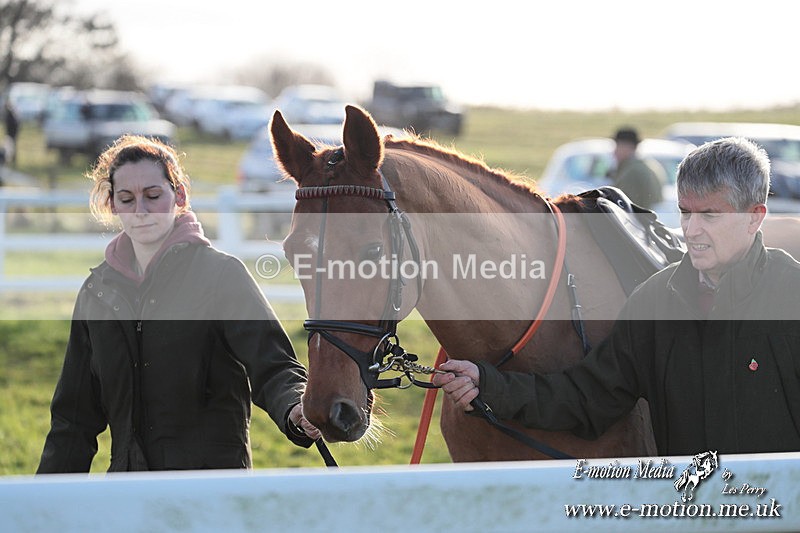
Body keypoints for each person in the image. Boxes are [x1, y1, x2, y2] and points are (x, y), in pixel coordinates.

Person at [433, 137, 800, 456]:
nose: (692, 230)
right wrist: (489, 385)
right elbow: (585, 398)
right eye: (686, 213)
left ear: (755, 217)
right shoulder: (655, 302)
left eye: (710, 215)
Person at [37, 135, 320, 473]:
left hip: (211, 493)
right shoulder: (97, 294)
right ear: (112, 205)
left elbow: (274, 367)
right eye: (126, 199)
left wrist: (295, 408)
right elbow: (73, 419)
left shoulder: (221, 275)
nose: (141, 211)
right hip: (129, 497)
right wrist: (43, 506)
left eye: (153, 196)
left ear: (180, 195)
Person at [610, 126, 665, 209]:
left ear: (628, 146)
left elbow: (622, 207)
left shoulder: (632, 172)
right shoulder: (648, 165)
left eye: (618, 146)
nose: (614, 151)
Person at [3, 100, 20, 167]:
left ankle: (11, 159)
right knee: (11, 146)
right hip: (12, 133)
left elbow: (13, 124)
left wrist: (10, 133)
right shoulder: (13, 113)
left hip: (11, 133)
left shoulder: (10, 113)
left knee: (10, 147)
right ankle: (11, 159)